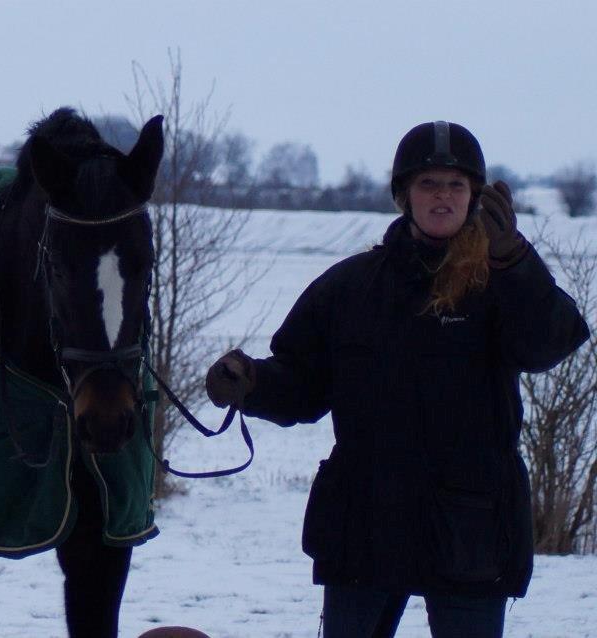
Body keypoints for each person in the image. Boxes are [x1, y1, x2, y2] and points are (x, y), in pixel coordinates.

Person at [205, 121, 590, 638]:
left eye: (455, 185)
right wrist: (251, 383)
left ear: (475, 197)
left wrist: (514, 259)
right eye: (428, 183)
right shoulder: (351, 286)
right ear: (404, 195)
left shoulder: (498, 282)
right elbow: (303, 382)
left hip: (470, 530)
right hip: (366, 524)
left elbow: (550, 344)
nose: (442, 196)